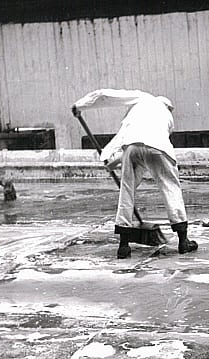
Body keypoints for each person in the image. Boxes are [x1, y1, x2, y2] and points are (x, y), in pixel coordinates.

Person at [72, 89, 198, 259]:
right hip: (159, 148)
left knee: (127, 191)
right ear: (168, 107)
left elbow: (107, 97)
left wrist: (80, 106)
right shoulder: (166, 116)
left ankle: (123, 246)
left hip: (131, 148)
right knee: (170, 188)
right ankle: (183, 242)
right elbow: (150, 145)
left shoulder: (140, 102)